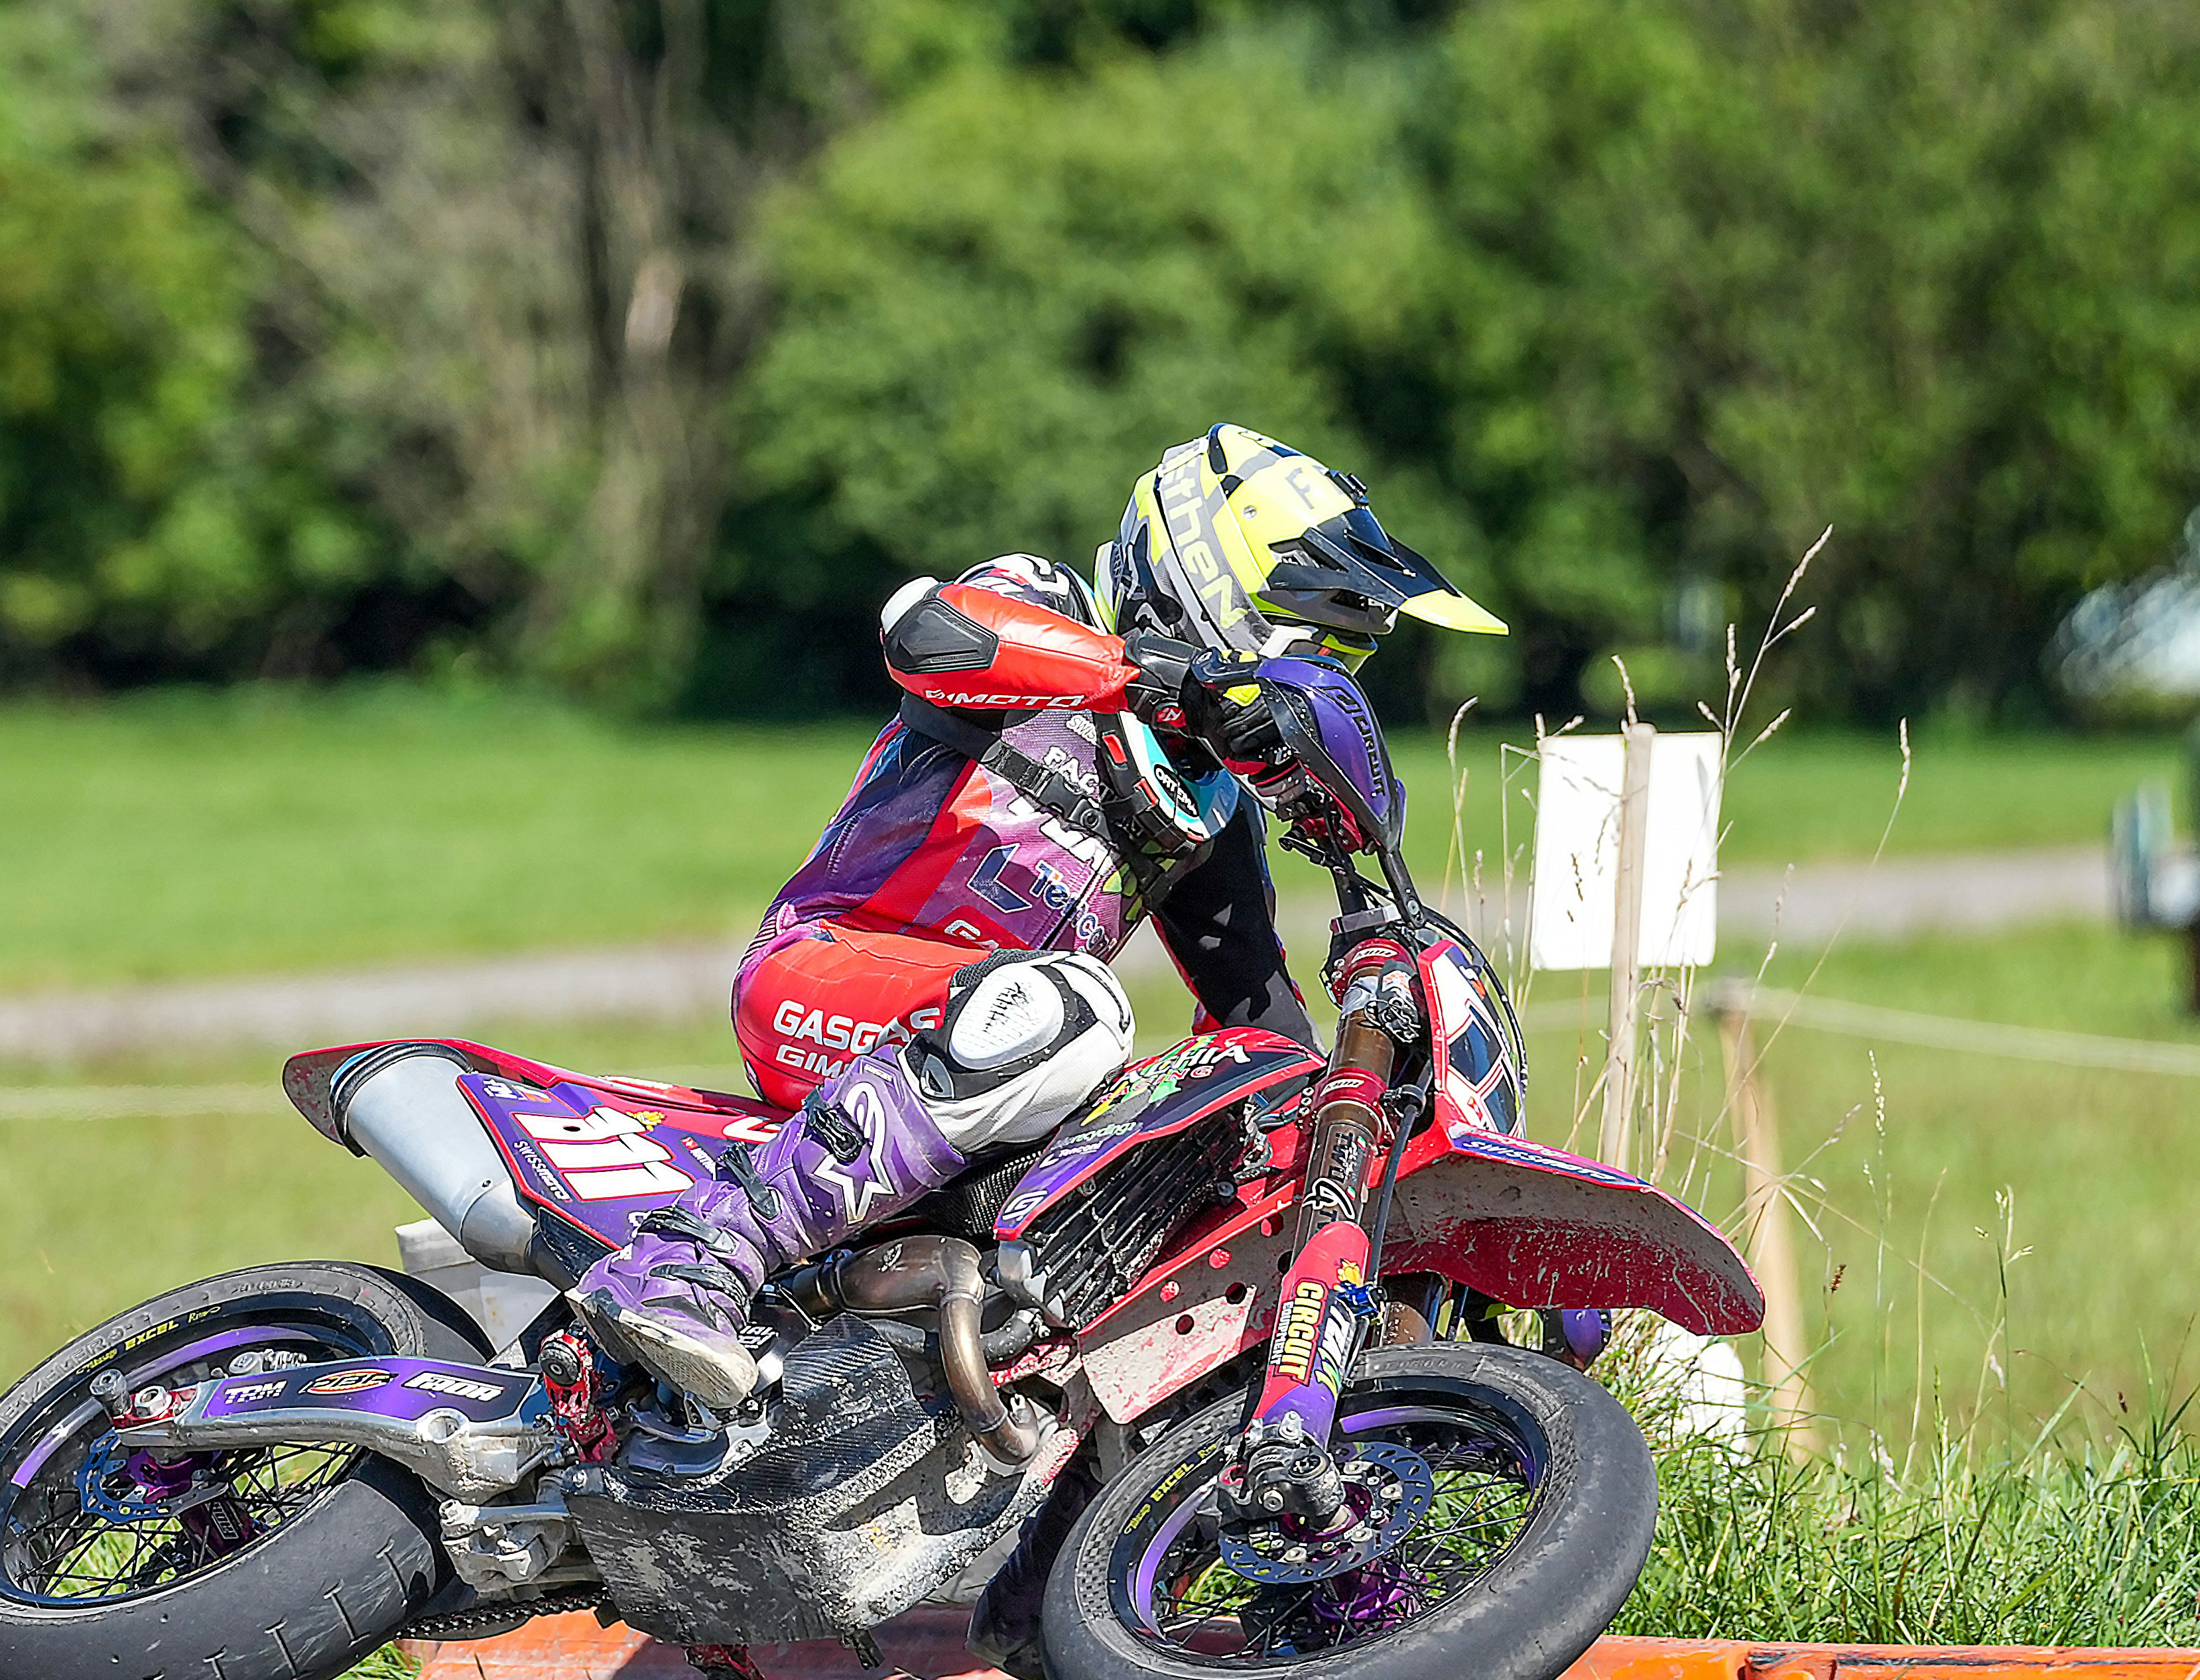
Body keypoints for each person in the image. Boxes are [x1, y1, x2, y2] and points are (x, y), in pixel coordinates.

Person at [568, 424, 1508, 1418]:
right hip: (825, 972)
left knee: (1218, 1104)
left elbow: (1262, 1026)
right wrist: (1167, 682)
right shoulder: (1044, 608)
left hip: (992, 1064)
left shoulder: (1208, 805)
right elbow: (921, 630)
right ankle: (690, 1261)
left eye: (1341, 653)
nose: (1319, 668)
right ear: (1218, 582)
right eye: (1310, 637)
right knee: (1082, 1010)